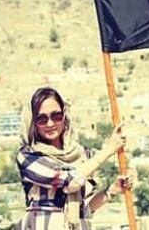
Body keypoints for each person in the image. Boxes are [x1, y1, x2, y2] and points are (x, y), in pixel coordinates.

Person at [16, 87, 134, 229]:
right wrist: (108, 150)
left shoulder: (81, 156)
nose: (50, 124)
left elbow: (83, 210)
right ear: (33, 122)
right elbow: (71, 182)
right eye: (42, 119)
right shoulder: (29, 156)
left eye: (56, 116)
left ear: (64, 116)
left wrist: (111, 191)